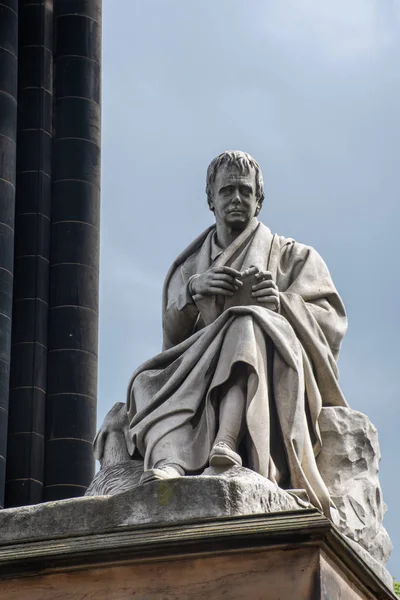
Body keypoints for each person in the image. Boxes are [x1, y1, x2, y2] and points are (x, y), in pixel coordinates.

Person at [127, 150, 348, 517]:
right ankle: (170, 461)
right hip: (197, 361)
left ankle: (227, 443)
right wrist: (195, 293)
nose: (236, 199)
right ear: (210, 198)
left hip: (260, 353)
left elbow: (331, 323)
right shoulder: (188, 266)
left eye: (246, 192)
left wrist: (283, 305)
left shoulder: (292, 257)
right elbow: (172, 343)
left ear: (259, 201)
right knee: (145, 381)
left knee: (246, 323)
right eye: (227, 191)